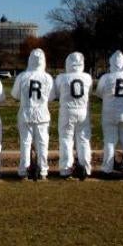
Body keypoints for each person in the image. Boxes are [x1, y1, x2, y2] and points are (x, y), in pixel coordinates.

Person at [95, 51, 123, 179]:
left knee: (109, 141)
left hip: (110, 113)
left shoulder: (106, 78)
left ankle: (107, 168)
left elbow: (99, 93)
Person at [12, 48, 54, 180]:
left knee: (25, 143)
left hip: (26, 113)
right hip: (42, 114)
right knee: (42, 143)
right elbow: (52, 97)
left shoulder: (22, 76)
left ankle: (24, 171)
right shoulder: (47, 78)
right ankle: (43, 171)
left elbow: (15, 95)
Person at [52, 52, 93, 180]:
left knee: (66, 140)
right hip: (83, 112)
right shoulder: (87, 77)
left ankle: (66, 169)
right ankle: (86, 168)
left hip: (67, 111)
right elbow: (89, 92)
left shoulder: (61, 78)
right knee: (84, 140)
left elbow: (57, 93)